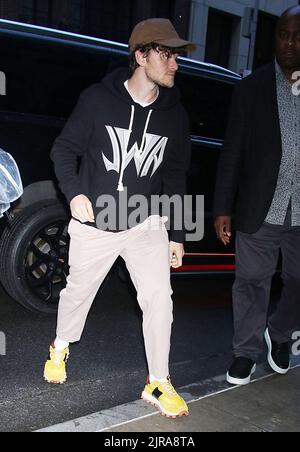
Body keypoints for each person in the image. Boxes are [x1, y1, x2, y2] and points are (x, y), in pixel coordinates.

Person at [43, 18, 196, 418]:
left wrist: (176, 233)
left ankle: (158, 382)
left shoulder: (175, 115)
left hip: (146, 223)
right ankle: (60, 346)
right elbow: (63, 150)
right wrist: (75, 193)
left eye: (176, 56)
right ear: (141, 56)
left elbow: (175, 175)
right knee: (77, 293)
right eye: (166, 54)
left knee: (159, 298)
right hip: (97, 223)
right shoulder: (97, 100)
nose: (174, 63)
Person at [214, 6, 300, 386]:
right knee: (251, 281)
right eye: (283, 34)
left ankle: (280, 335)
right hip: (260, 206)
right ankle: (246, 352)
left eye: (298, 36)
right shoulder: (251, 89)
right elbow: (232, 151)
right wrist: (222, 208)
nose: (289, 43)